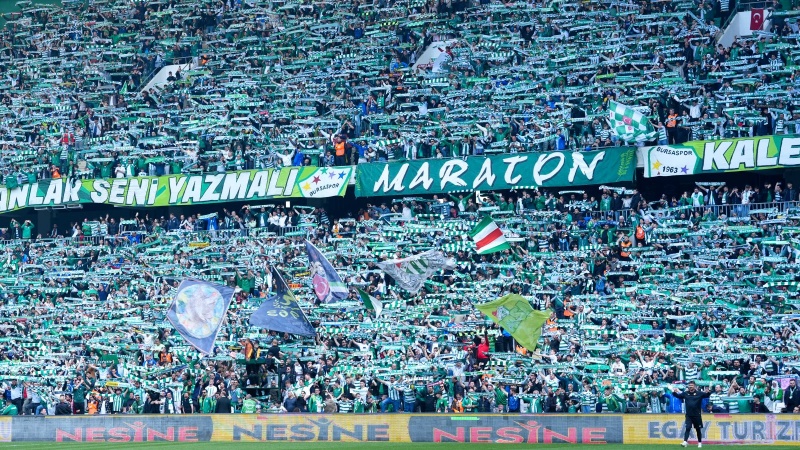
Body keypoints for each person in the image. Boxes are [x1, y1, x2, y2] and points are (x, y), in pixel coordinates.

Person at [671, 381, 712, 448]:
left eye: (692, 385)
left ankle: (699, 442)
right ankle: (685, 442)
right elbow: (678, 396)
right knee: (688, 428)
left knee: (698, 429)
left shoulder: (699, 393)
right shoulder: (686, 393)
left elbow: (707, 395)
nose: (690, 387)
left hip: (697, 415)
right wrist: (673, 391)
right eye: (690, 385)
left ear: (694, 386)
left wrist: (710, 389)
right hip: (689, 415)